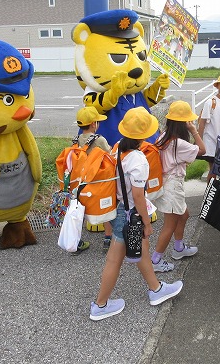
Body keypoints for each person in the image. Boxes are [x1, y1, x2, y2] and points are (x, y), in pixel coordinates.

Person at [89, 107, 182, 321]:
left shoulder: (116, 148)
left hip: (118, 209)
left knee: (139, 250)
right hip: (130, 214)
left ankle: (156, 289)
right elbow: (139, 196)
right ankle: (100, 305)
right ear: (143, 135)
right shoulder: (138, 159)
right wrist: (147, 223)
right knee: (115, 259)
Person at [151, 101, 205, 272]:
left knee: (184, 214)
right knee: (170, 224)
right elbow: (202, 150)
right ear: (183, 124)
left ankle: (179, 248)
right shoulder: (178, 144)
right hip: (172, 187)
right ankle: (156, 260)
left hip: (167, 184)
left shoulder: (164, 136)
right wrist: (194, 131)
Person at [76, 106, 113, 251]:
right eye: (97, 121)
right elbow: (109, 154)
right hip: (99, 180)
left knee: (81, 211)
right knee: (106, 207)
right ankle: (108, 238)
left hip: (83, 181)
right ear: (93, 124)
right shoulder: (99, 140)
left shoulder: (78, 139)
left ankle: (77, 240)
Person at [198, 73, 220, 173]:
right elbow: (202, 123)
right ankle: (210, 189)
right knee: (213, 170)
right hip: (211, 144)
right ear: (217, 85)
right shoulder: (210, 102)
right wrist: (199, 142)